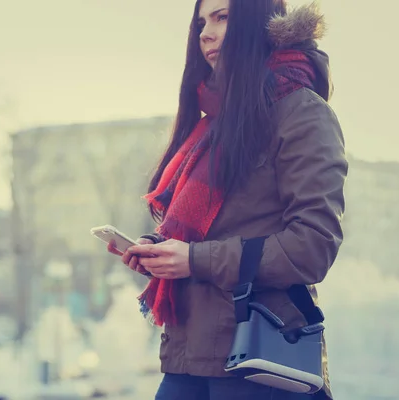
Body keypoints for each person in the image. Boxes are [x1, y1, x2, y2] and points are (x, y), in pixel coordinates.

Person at [106, 1, 347, 399]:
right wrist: (161, 252)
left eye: (222, 17)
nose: (205, 33)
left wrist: (194, 260)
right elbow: (212, 231)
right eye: (201, 21)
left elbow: (312, 247)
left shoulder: (302, 112)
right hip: (187, 358)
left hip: (258, 361)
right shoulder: (212, 123)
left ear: (260, 22)